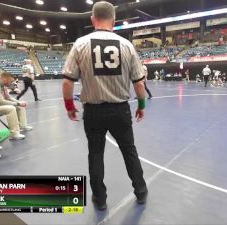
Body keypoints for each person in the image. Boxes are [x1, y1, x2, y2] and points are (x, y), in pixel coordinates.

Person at [62, 1, 148, 210]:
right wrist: (142, 105)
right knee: (129, 151)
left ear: (93, 19)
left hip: (93, 112)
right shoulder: (127, 45)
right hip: (120, 110)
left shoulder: (80, 44)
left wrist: (69, 107)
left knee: (95, 154)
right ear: (114, 21)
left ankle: (100, 199)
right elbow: (139, 82)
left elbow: (67, 81)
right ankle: (141, 191)